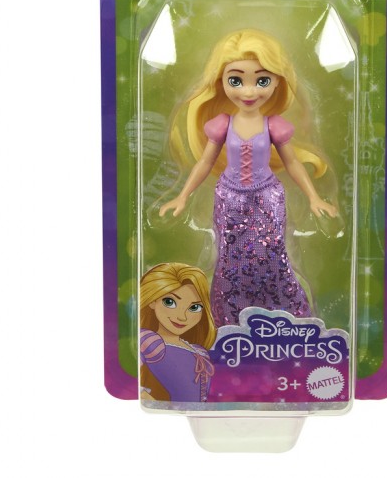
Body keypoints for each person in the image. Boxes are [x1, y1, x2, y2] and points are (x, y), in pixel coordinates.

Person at [160, 29, 337, 326]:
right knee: (231, 259)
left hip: (267, 199)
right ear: (221, 80)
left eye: (262, 81)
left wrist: (314, 197)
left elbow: (292, 163)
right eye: (236, 80)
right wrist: (181, 196)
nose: (249, 91)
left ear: (277, 81)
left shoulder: (274, 126)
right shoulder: (222, 124)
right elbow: (205, 162)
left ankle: (282, 315)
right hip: (229, 200)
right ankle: (230, 318)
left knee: (271, 255)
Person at [139, 263, 216, 402]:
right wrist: (147, 398)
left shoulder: (199, 351)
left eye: (194, 307)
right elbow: (128, 378)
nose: (182, 317)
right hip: (165, 412)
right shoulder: (150, 341)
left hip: (198, 412)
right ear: (152, 301)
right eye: (169, 302)